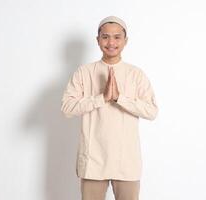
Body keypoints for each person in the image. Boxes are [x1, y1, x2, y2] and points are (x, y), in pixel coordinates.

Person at [60, 15, 158, 200]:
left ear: (125, 41)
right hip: (93, 160)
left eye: (117, 37)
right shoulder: (84, 72)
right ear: (97, 40)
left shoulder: (135, 74)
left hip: (126, 161)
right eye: (105, 37)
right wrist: (101, 98)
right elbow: (67, 108)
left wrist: (120, 98)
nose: (111, 42)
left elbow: (151, 110)